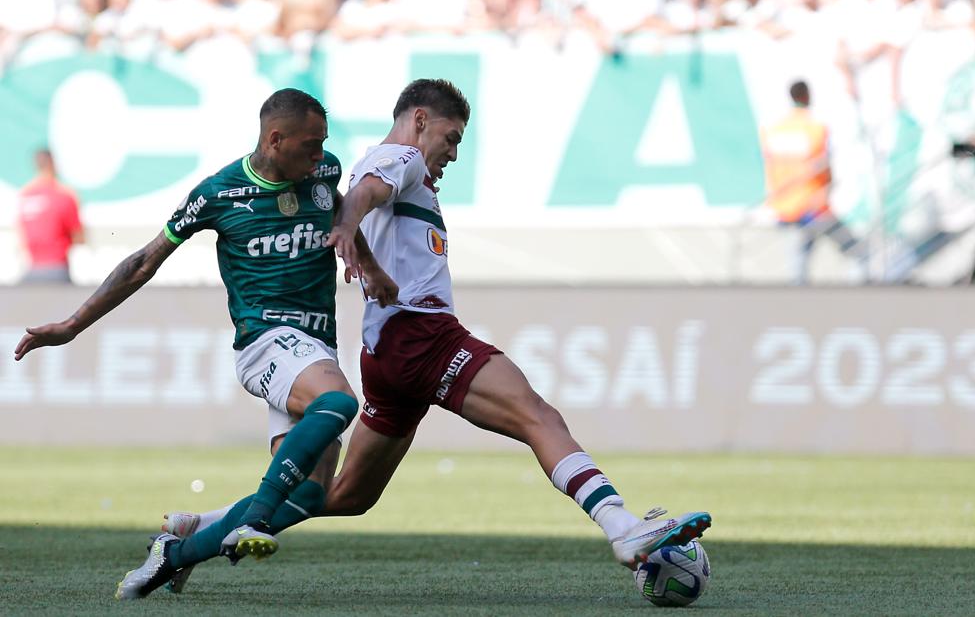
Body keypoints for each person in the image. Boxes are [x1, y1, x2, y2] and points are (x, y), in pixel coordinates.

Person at [158, 78, 711, 596]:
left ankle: (194, 535)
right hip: (420, 335)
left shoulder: (392, 166)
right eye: (451, 138)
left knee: (346, 495)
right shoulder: (399, 157)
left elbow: (364, 196)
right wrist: (347, 227)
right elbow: (367, 193)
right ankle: (621, 526)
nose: (452, 152)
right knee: (537, 417)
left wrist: (358, 239)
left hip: (388, 353)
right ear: (419, 120)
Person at [12, 88, 398, 599]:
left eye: (322, 142)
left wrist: (368, 265)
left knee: (308, 492)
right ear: (274, 138)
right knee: (340, 402)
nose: (319, 152)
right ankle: (251, 519)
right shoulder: (219, 193)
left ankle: (176, 552)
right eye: (310, 143)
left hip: (315, 346)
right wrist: (73, 324)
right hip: (265, 341)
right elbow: (142, 262)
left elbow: (342, 222)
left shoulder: (323, 172)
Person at [761, 80, 861, 284]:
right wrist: (828, 188)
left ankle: (798, 304)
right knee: (855, 251)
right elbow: (824, 164)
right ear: (807, 96)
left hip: (787, 205)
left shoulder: (774, 130)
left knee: (799, 260)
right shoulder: (815, 129)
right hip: (814, 203)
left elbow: (771, 165)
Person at [16, 148, 84, 283]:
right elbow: (79, 237)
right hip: (57, 270)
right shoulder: (64, 195)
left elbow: (21, 236)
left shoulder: (25, 195)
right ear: (53, 164)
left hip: (32, 270)